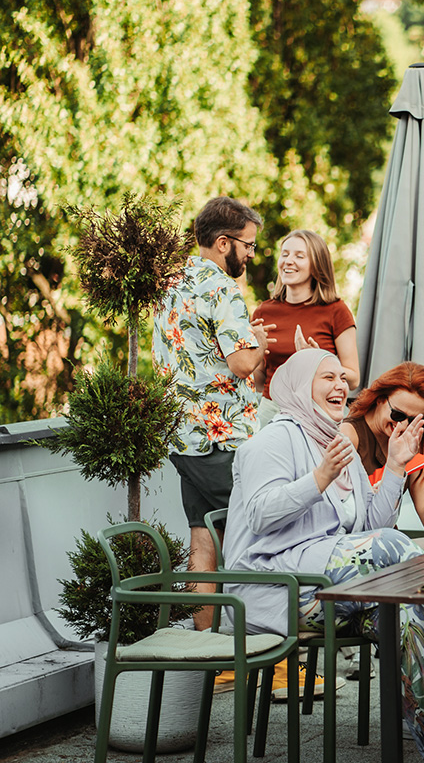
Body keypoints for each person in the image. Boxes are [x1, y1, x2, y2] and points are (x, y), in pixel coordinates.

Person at [223, 349, 424, 763]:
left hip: (326, 587)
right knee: (394, 547)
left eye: (343, 377)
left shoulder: (334, 440)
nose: (341, 385)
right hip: (272, 589)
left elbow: (365, 529)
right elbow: (260, 515)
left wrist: (394, 467)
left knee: (411, 619)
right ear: (300, 384)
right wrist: (318, 479)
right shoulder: (271, 441)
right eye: (327, 378)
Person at [152, 196, 270, 631]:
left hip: (182, 437)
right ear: (224, 243)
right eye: (249, 245)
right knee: (260, 536)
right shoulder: (222, 287)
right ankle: (271, 656)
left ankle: (209, 654)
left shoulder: (170, 281)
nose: (251, 255)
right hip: (222, 441)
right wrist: (258, 343)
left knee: (203, 541)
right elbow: (241, 363)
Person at [340, 362, 424, 546]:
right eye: (398, 415)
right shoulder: (350, 435)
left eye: (413, 420)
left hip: (386, 543)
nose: (402, 426)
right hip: (350, 545)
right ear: (380, 399)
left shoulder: (413, 439)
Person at [252, 230, 358, 423]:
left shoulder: (336, 311)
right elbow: (259, 380)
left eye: (299, 256)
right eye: (285, 254)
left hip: (318, 411)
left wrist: (319, 362)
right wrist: (252, 353)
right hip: (271, 411)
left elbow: (353, 378)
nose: (288, 261)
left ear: (316, 265)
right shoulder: (263, 312)